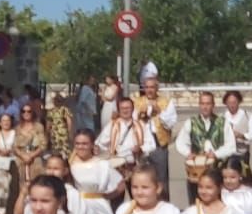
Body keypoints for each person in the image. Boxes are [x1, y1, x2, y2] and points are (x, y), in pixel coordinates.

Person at [174, 92, 236, 205]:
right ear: (199, 105)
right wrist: (188, 153)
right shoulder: (191, 122)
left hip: (217, 169)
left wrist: (216, 154)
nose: (205, 106)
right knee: (195, 204)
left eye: (208, 103)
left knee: (218, 204)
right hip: (196, 172)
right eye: (202, 103)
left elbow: (231, 145)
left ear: (213, 105)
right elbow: (180, 142)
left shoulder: (223, 122)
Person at [132, 65, 178, 199]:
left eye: (152, 87)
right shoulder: (137, 102)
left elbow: (171, 123)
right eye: (147, 87)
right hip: (142, 147)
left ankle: (164, 207)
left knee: (161, 180)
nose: (149, 90)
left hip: (159, 146)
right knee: (143, 179)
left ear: (156, 88)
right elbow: (133, 123)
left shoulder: (165, 102)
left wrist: (160, 113)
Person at [12, 102, 48, 214]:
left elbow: (43, 145)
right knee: (22, 186)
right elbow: (14, 146)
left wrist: (31, 155)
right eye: (23, 111)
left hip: (35, 159)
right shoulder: (18, 127)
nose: (26, 114)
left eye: (29, 111)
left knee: (36, 184)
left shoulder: (38, 126)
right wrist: (22, 155)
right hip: (21, 159)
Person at [99, 96, 145, 178]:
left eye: (128, 108)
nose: (125, 110)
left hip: (134, 165)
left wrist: (140, 149)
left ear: (133, 109)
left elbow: (150, 144)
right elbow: (101, 143)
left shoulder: (141, 125)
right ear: (119, 110)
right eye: (122, 108)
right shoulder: (112, 125)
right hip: (117, 166)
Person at [222, 91, 252, 182]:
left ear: (239, 102)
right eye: (229, 103)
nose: (232, 105)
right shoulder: (221, 118)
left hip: (242, 154)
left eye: (234, 102)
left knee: (244, 180)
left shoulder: (248, 116)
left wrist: (243, 136)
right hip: (225, 155)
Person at [0, 112, 19, 214]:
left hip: (12, 163)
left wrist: (10, 150)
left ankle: (9, 213)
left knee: (10, 189)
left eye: (8, 120)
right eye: (3, 121)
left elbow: (17, 146)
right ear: (0, 122)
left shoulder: (14, 133)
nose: (6, 123)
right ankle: (0, 213)